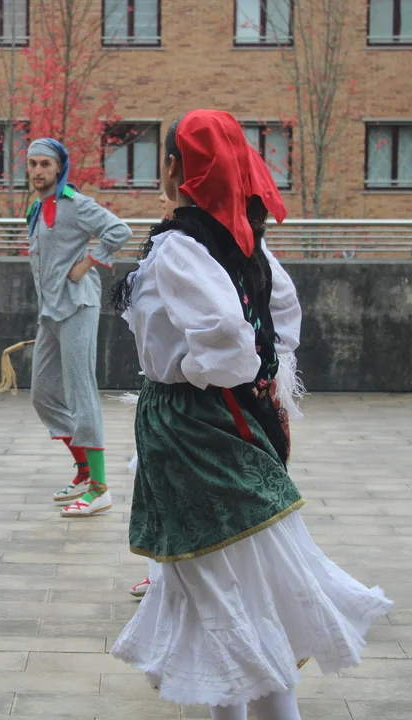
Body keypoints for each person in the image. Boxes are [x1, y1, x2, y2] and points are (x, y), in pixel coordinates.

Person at [108, 110, 391, 720]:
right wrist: (248, 377)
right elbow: (280, 327)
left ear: (174, 169)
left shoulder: (180, 246)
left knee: (226, 601)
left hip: (191, 430)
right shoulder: (243, 240)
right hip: (237, 423)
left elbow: (231, 345)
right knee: (234, 594)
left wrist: (187, 372)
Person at [125, 191, 303, 601]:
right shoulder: (221, 241)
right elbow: (278, 314)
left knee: (213, 501)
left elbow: (246, 324)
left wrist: (198, 369)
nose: (162, 198)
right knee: (180, 495)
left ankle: (221, 594)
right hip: (211, 393)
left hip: (204, 399)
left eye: (170, 187)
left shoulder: (183, 245)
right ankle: (176, 580)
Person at [24, 138, 131, 517]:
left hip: (78, 307)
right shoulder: (38, 208)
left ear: (59, 168)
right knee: (42, 393)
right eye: (33, 164)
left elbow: (118, 230)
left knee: (81, 391)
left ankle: (100, 488)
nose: (38, 171)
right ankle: (85, 471)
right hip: (50, 312)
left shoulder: (74, 203)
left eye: (45, 164)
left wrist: (87, 263)